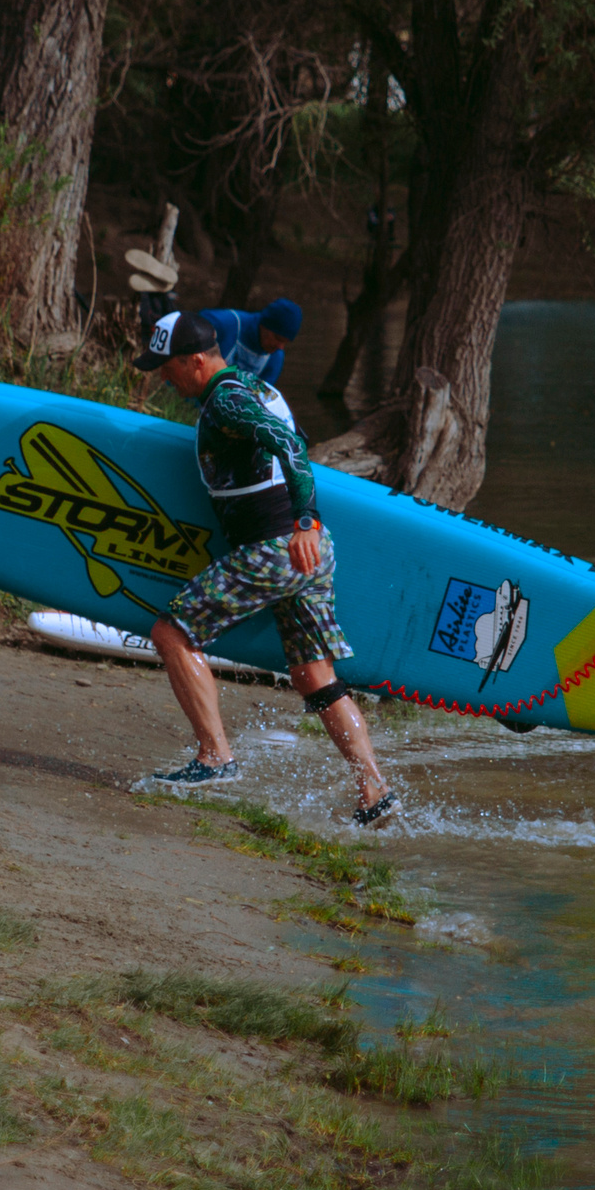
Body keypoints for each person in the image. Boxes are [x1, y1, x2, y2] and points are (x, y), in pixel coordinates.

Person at [129, 311, 394, 826]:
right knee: (313, 674)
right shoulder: (258, 387)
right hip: (309, 552)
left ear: (196, 360)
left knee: (171, 633)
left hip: (280, 547)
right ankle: (374, 790)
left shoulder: (227, 399)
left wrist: (303, 519)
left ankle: (214, 757)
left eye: (168, 367)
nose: (164, 376)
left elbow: (290, 446)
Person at [198, 299, 302, 384]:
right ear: (265, 326)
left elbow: (262, 397)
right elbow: (193, 324)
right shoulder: (225, 324)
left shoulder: (275, 356)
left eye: (285, 342)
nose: (280, 347)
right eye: (278, 338)